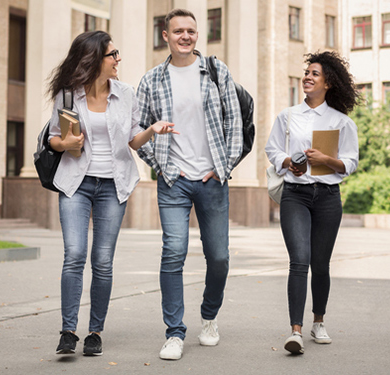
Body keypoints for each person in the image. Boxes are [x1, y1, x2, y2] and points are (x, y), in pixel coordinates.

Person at [47, 31, 178, 357]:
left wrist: (152, 129)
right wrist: (67, 144)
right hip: (76, 182)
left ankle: (94, 331)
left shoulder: (125, 93)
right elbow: (53, 138)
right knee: (74, 255)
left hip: (112, 184)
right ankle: (67, 331)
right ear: (94, 59)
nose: (119, 59)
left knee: (102, 261)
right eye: (113, 54)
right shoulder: (67, 96)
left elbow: (133, 140)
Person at [135, 8, 243, 360]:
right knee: (173, 253)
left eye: (191, 31)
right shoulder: (152, 80)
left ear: (198, 35)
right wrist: (163, 166)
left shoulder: (215, 70)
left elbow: (235, 123)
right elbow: (136, 131)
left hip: (212, 179)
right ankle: (174, 332)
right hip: (175, 181)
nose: (186, 36)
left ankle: (209, 317)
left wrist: (222, 166)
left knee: (220, 258)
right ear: (165, 36)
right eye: (178, 31)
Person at [265, 51, 360, 355]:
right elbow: (272, 149)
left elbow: (350, 163)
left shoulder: (342, 122)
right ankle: (295, 331)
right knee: (299, 260)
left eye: (314, 73)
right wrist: (287, 162)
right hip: (295, 195)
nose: (307, 77)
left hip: (328, 198)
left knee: (320, 264)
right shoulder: (288, 116)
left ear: (328, 82)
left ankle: (319, 320)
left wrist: (327, 160)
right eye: (306, 72)